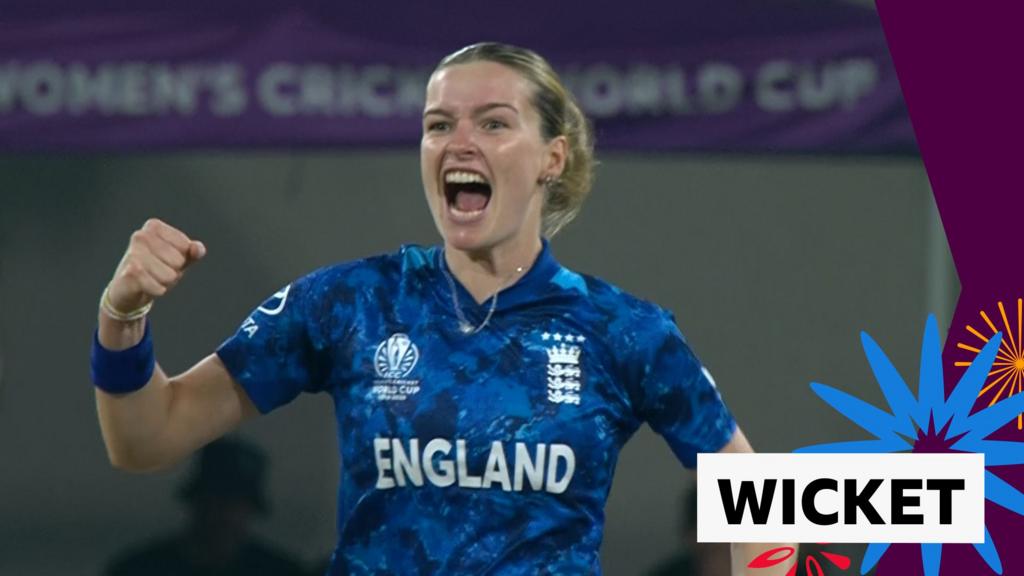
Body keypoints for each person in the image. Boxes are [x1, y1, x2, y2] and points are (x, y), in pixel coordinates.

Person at [92, 42, 783, 575]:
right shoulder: (351, 303)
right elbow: (147, 438)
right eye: (438, 123)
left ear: (552, 157)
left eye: (493, 123)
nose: (460, 142)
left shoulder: (624, 331)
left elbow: (763, 505)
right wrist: (121, 319)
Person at [104, 437, 307, 576]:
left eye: (235, 504)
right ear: (198, 502)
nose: (225, 515)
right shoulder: (138, 571)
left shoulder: (281, 572)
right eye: (217, 501)